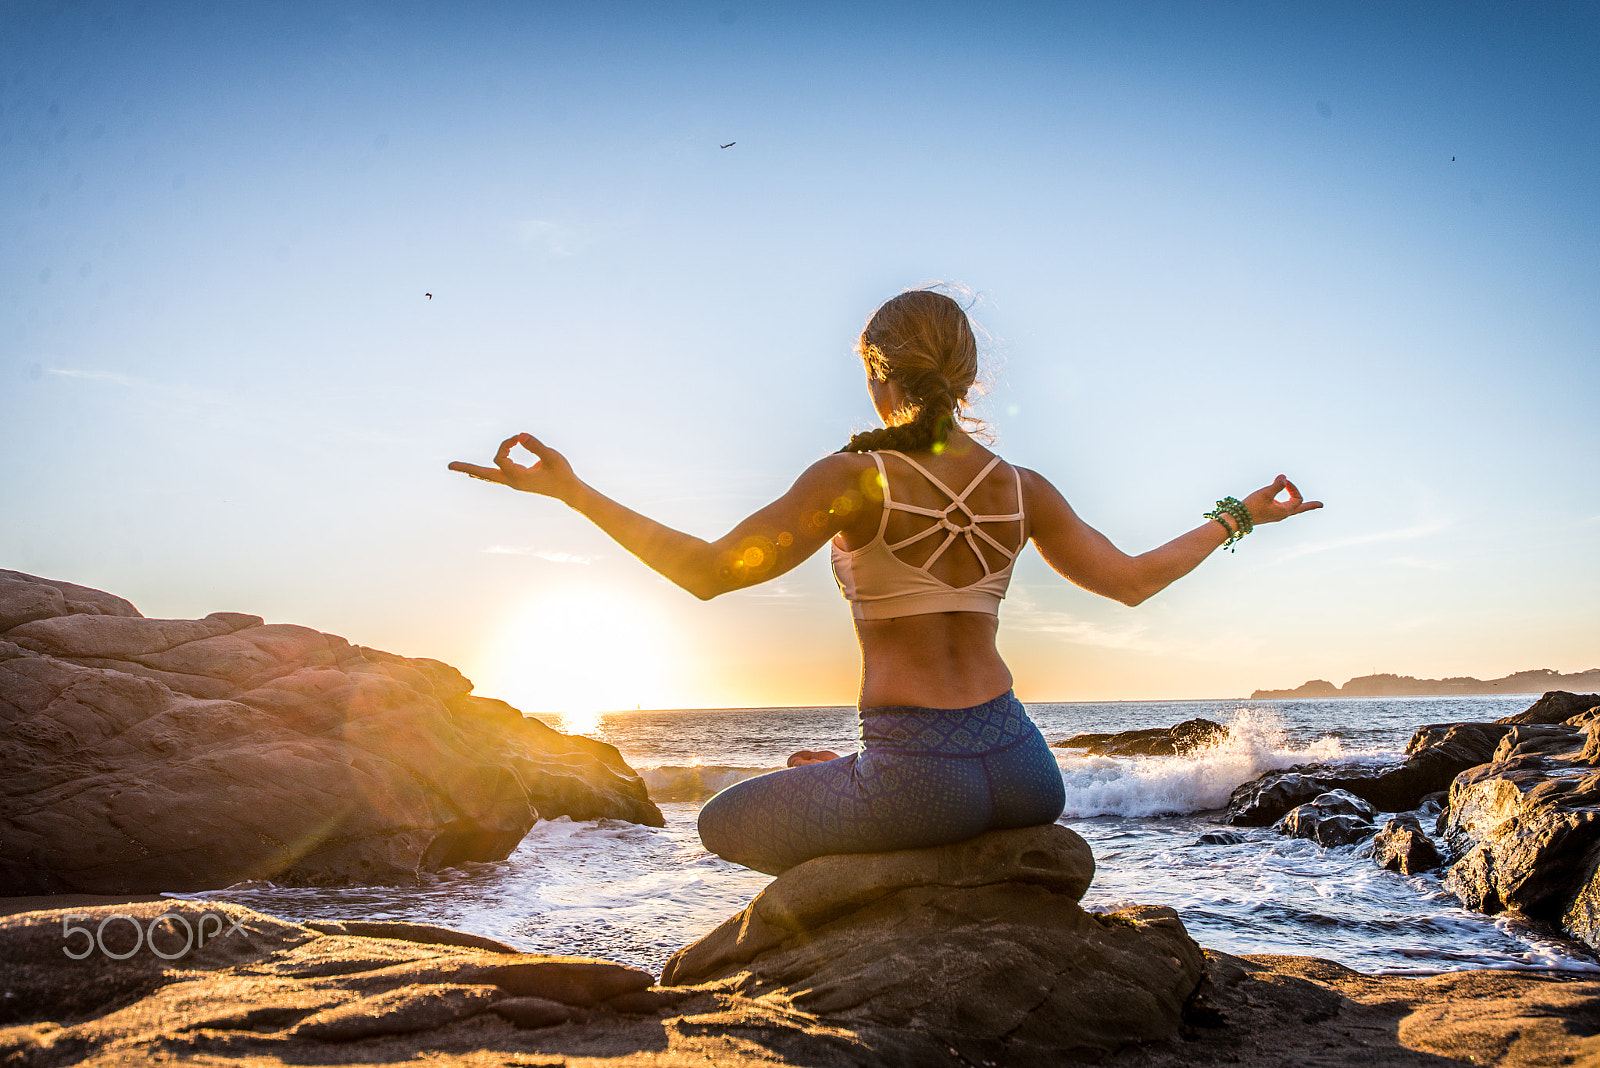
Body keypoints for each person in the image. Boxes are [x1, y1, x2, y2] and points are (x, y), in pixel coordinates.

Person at [449, 288, 1321, 875]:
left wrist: (571, 491)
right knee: (854, 781)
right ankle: (872, 788)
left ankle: (874, 799)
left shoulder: (853, 478)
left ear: (876, 370)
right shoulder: (1022, 488)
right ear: (968, 376)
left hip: (916, 778)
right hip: (1024, 769)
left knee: (721, 822)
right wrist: (1243, 514)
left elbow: (708, 575)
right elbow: (1133, 582)